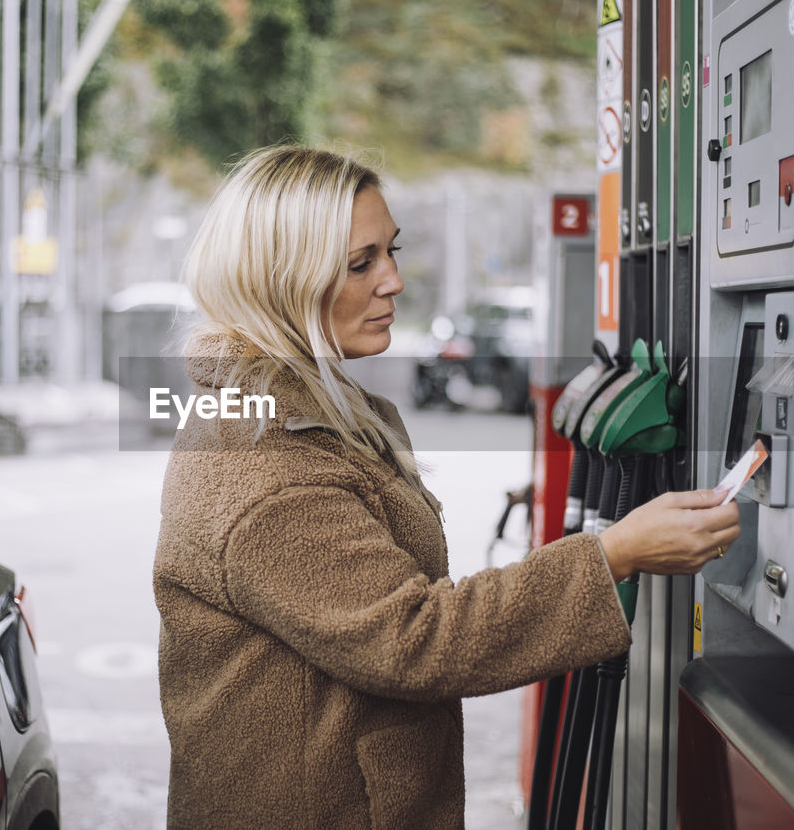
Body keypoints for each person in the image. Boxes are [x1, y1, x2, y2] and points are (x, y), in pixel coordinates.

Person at [153, 145, 740, 829]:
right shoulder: (268, 467)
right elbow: (418, 638)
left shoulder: (300, 409)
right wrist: (614, 554)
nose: (394, 280)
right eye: (360, 262)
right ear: (282, 279)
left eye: (391, 251)